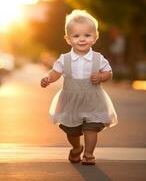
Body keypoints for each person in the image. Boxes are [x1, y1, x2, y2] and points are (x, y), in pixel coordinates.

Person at [40, 10, 118, 165]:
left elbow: (109, 73)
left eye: (87, 35)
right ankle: (76, 147)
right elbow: (55, 72)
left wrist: (102, 77)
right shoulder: (65, 59)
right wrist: (48, 78)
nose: (82, 39)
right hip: (71, 101)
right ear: (68, 39)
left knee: (92, 128)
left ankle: (89, 154)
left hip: (93, 100)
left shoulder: (98, 58)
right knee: (72, 130)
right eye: (76, 36)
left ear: (95, 37)